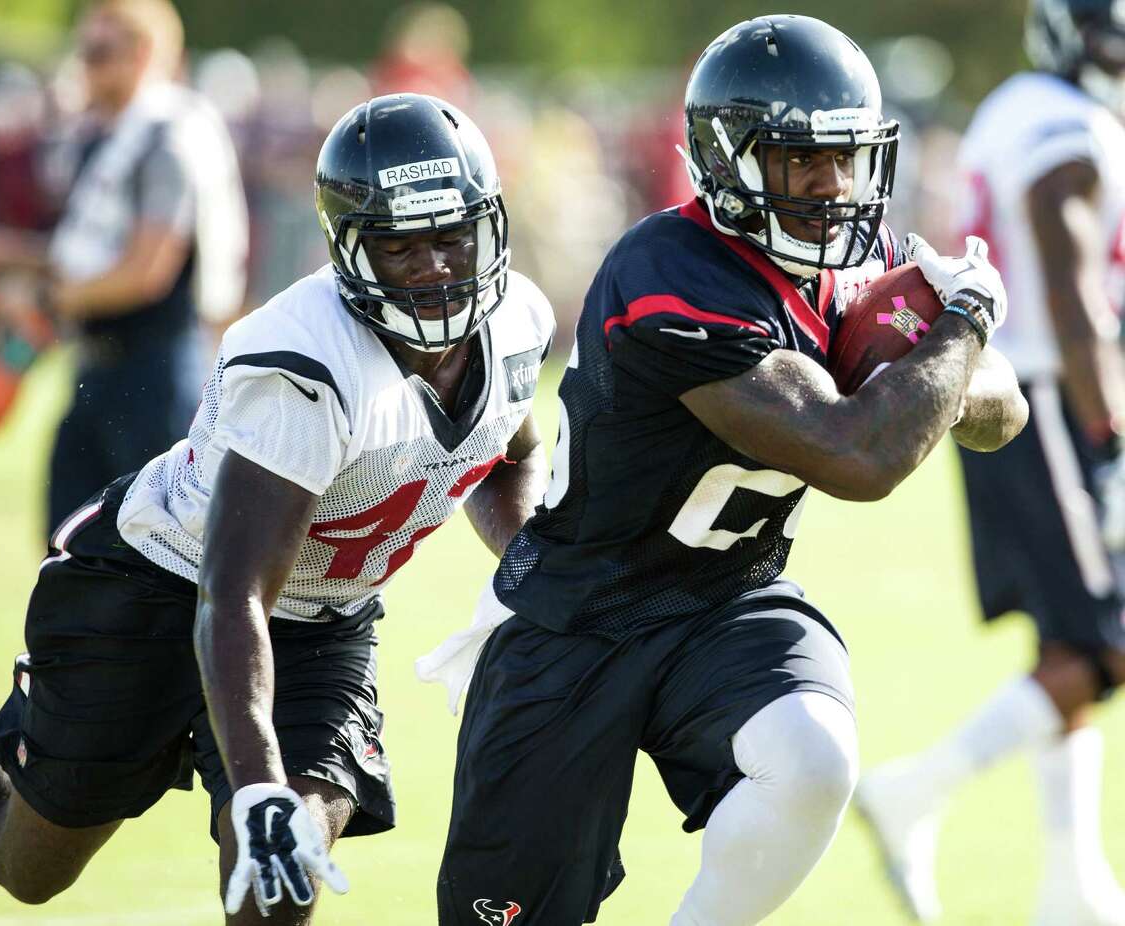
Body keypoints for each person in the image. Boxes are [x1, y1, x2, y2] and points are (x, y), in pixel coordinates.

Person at [428, 16, 1026, 926]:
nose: (834, 188)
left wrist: (944, 357)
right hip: (579, 616)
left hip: (727, 601)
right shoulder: (672, 270)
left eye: (849, 158)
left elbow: (1003, 413)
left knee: (814, 755)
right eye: (800, 160)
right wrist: (958, 329)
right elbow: (857, 457)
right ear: (729, 160)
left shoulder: (867, 263)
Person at [0, 92, 555, 924]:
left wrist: (532, 575)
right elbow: (233, 594)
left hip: (321, 619)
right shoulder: (304, 364)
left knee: (281, 869)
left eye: (452, 238)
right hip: (160, 587)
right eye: (401, 246)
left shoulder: (518, 322)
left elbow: (510, 452)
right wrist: (255, 785)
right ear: (350, 248)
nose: (436, 266)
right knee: (27, 864)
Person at [856, 2, 1125, 923]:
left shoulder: (1017, 103)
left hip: (1017, 390)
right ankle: (916, 788)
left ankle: (1072, 885)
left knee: (1067, 640)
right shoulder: (1068, 125)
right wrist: (1114, 434)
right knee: (1110, 643)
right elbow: (1072, 287)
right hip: (1055, 396)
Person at [0, 0, 248, 539]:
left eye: (98, 51)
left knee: (152, 566)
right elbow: (89, 253)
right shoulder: (106, 136)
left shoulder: (169, 137)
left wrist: (42, 301)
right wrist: (13, 253)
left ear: (141, 54)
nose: (84, 64)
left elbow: (146, 271)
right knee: (66, 552)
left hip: (154, 375)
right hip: (98, 370)